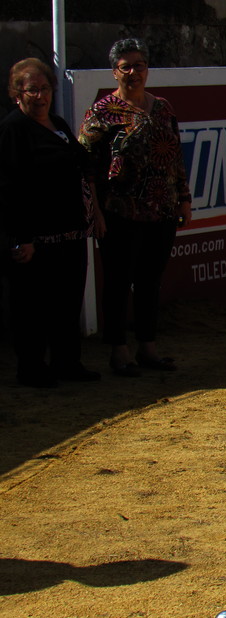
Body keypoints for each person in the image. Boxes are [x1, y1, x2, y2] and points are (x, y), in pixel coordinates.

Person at [79, 38, 193, 376]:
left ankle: (148, 347)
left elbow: (175, 157)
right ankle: (118, 351)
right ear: (115, 72)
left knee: (150, 281)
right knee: (117, 281)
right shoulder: (102, 112)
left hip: (161, 211)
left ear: (147, 68)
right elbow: (85, 167)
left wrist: (184, 199)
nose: (133, 72)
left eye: (138, 65)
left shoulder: (163, 108)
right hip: (119, 211)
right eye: (125, 67)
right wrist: (95, 211)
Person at [0, 58, 100, 387]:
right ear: (17, 94)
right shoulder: (13, 129)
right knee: (32, 308)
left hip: (69, 234)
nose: (40, 96)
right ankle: (31, 368)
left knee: (67, 304)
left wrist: (93, 212)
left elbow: (80, 165)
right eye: (32, 90)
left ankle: (67, 362)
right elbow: (10, 187)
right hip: (35, 241)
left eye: (44, 89)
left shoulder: (56, 123)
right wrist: (20, 238)